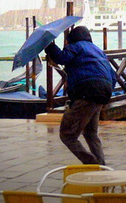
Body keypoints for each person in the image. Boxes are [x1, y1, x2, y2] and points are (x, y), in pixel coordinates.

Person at [44, 25, 116, 165]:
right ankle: (101, 166)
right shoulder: (98, 51)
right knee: (90, 134)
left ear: (72, 39)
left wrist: (50, 46)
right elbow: (113, 76)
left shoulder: (76, 46)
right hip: (102, 94)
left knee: (67, 135)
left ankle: (92, 164)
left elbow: (61, 58)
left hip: (86, 93)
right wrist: (104, 91)